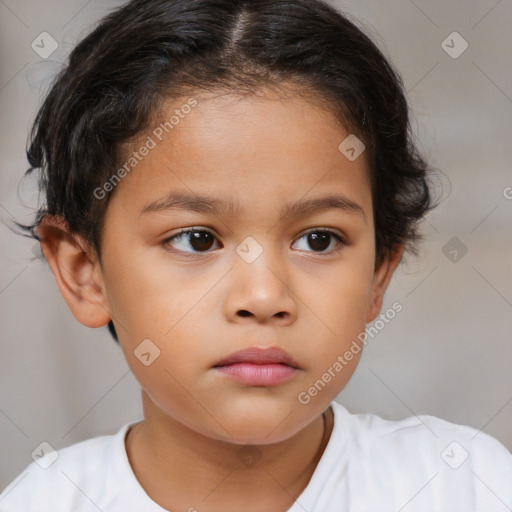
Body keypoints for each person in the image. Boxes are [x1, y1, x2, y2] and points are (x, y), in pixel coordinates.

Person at [1, 0, 511, 510]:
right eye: (197, 239)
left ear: (379, 272)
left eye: (319, 240)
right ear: (84, 272)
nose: (264, 297)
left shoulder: (464, 485)